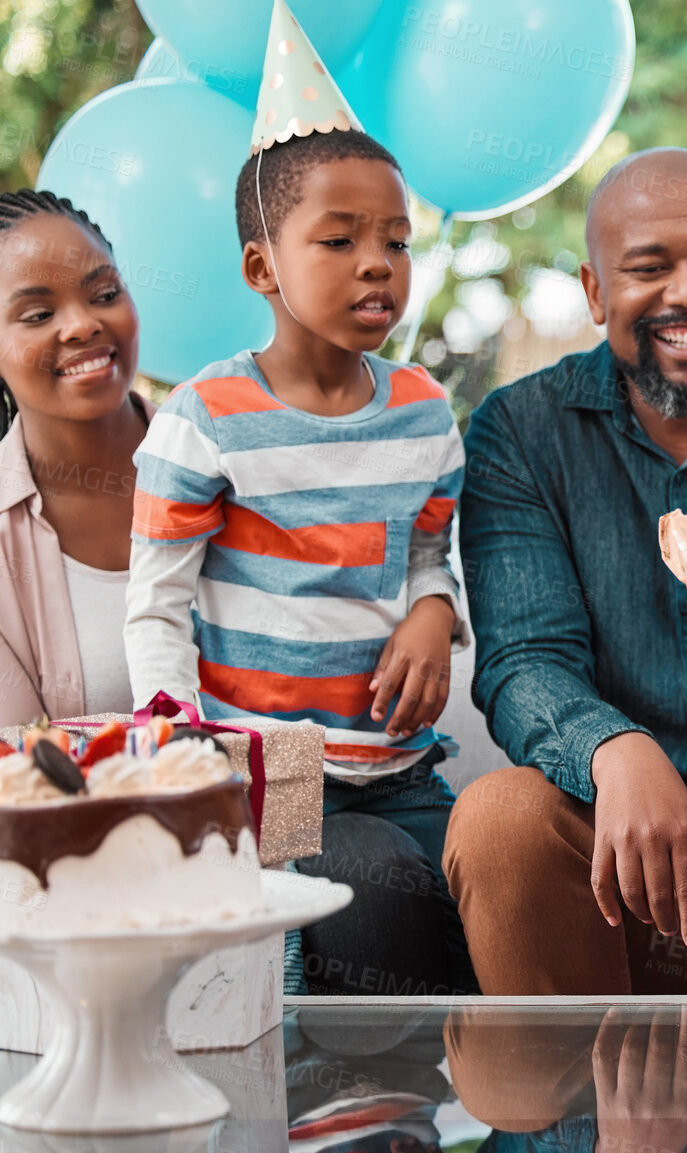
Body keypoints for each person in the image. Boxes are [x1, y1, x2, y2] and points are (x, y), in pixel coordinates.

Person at [125, 42, 473, 996]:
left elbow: (428, 553)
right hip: (271, 771)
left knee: (470, 932)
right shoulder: (205, 415)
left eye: (396, 242)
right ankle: (335, 1107)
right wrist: (181, 736)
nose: (377, 265)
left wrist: (435, 612)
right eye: (339, 239)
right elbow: (157, 602)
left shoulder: (423, 409)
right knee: (371, 912)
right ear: (260, 265)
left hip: (403, 765)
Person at [444, 148, 687, 995]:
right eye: (649, 268)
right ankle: (575, 1124)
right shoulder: (521, 430)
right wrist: (616, 752)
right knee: (500, 819)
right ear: (593, 292)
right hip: (611, 861)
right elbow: (523, 660)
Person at [0, 191, 146, 726]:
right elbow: (19, 771)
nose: (83, 324)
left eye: (104, 293)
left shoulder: (231, 457)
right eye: (38, 313)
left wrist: (430, 598)